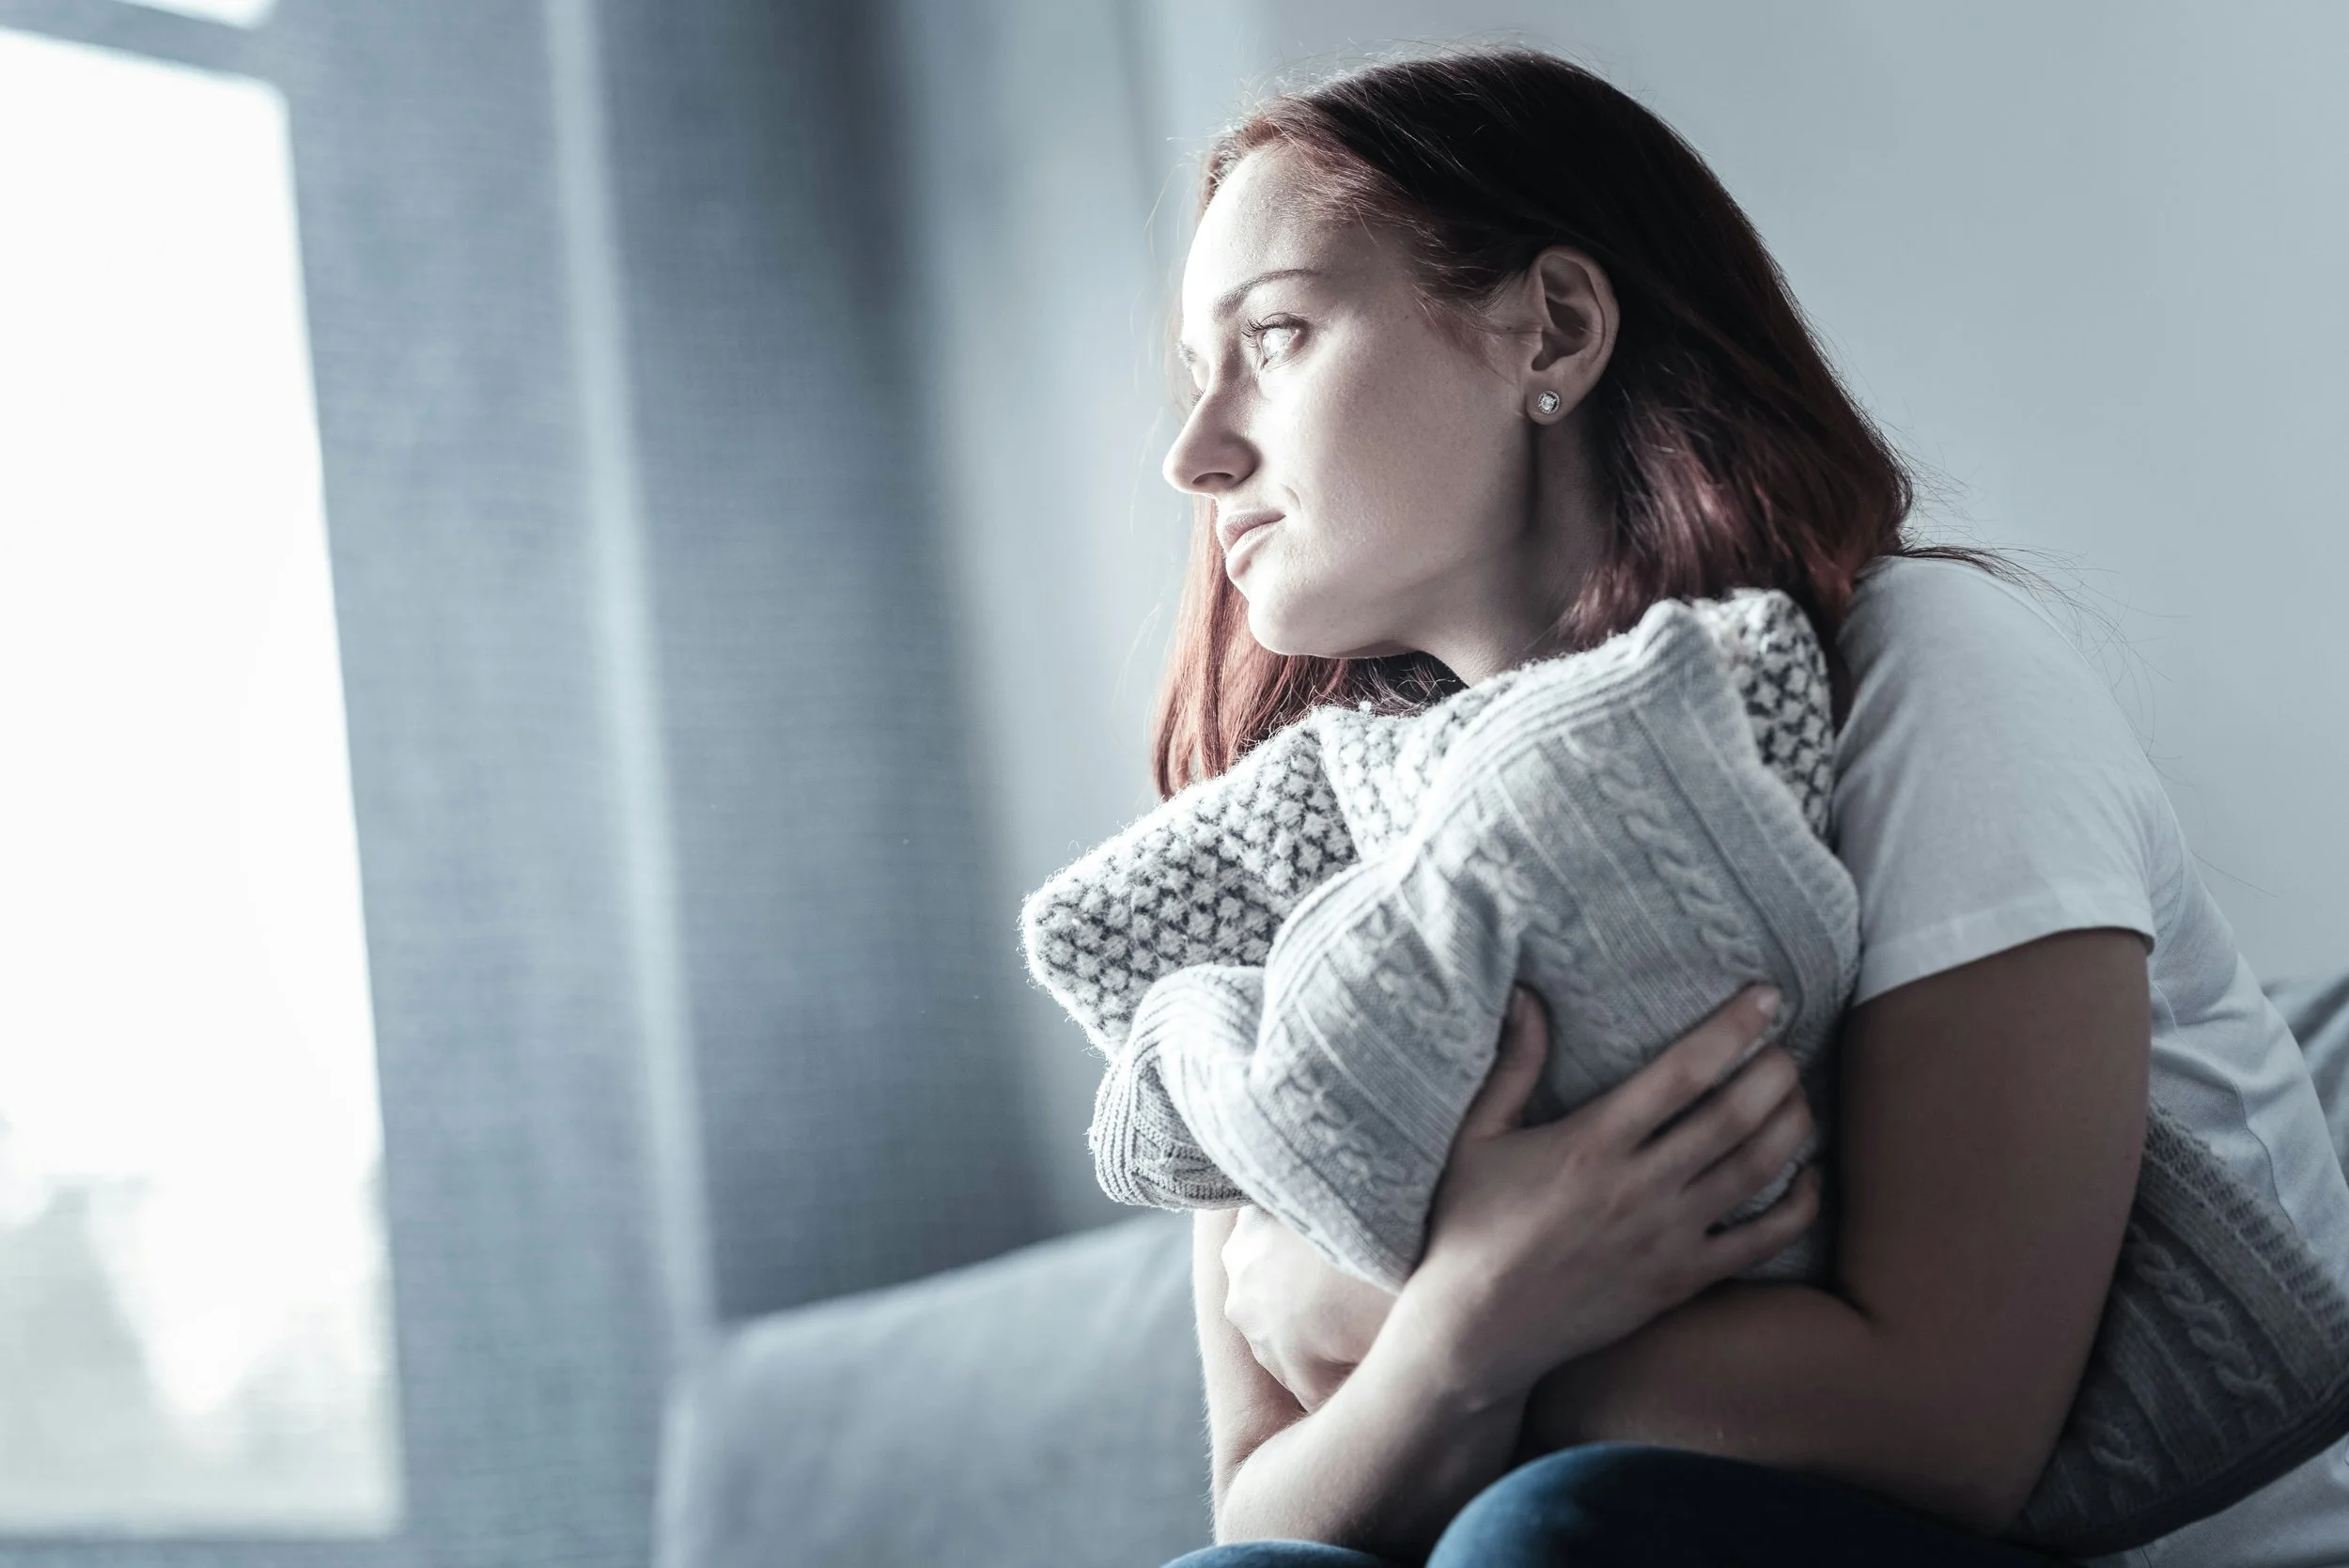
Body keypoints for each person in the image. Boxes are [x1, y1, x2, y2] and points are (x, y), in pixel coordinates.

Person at [1137, 45, 2349, 1568]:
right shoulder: (1284, 858)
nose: (1197, 453)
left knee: (1561, 1530)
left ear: (1554, 330)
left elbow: (1951, 1433)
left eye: (1278, 334)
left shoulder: (1920, 676)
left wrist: (1413, 1318)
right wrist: (1457, 1337)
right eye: (1198, 377)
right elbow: (1261, 1505)